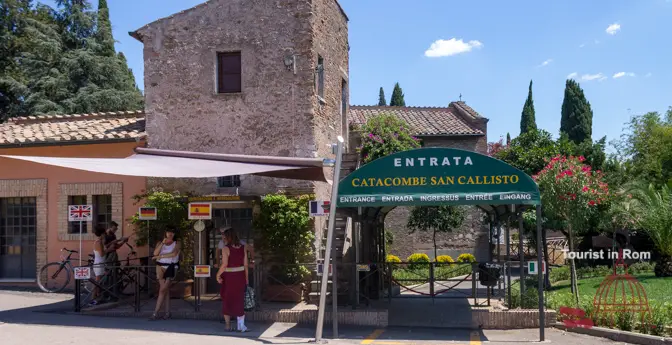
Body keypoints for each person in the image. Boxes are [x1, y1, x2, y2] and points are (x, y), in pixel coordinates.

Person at [216, 228, 249, 332]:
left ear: (228, 237)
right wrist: (246, 279)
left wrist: (218, 275)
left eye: (224, 236)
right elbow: (246, 265)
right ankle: (241, 325)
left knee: (227, 299)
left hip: (229, 276)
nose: (223, 238)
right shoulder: (243, 248)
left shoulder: (225, 248)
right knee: (239, 300)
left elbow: (224, 264)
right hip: (240, 276)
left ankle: (227, 325)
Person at [150, 225, 181, 320]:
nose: (170, 234)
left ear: (174, 234)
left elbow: (174, 254)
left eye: (172, 232)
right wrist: (162, 244)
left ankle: (155, 313)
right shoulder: (160, 242)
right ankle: (167, 313)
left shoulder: (177, 242)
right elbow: (155, 253)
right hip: (160, 266)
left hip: (171, 267)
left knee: (162, 290)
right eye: (168, 232)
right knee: (165, 291)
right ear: (165, 233)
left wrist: (160, 257)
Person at [100, 221, 128, 302]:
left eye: (116, 229)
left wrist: (123, 242)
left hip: (114, 257)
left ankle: (114, 294)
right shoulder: (104, 235)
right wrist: (117, 240)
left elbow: (116, 246)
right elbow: (105, 246)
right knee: (108, 276)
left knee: (115, 275)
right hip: (107, 257)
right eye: (114, 228)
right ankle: (105, 294)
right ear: (110, 227)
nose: (115, 230)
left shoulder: (113, 235)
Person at [90, 225, 107, 305]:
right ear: (102, 234)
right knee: (97, 282)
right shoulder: (99, 242)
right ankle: (93, 299)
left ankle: (97, 297)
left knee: (99, 282)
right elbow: (102, 254)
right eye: (104, 233)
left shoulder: (98, 241)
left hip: (100, 263)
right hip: (99, 263)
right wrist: (109, 249)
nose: (105, 235)